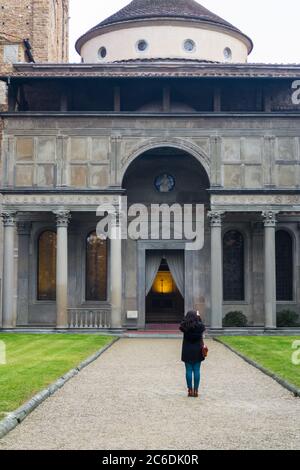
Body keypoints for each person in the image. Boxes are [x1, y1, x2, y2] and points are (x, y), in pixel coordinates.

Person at [179, 310, 206, 398]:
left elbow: (182, 323)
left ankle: (190, 390)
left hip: (187, 349)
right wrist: (198, 317)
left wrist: (187, 317)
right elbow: (202, 325)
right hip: (197, 349)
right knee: (197, 370)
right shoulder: (200, 326)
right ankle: (196, 391)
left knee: (188, 370)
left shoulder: (184, 326)